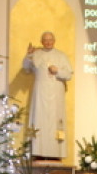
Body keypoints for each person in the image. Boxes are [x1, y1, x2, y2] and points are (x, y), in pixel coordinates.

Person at [22, 31, 72, 160]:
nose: (48, 42)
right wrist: (28, 55)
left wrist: (58, 71)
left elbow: (69, 74)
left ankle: (56, 153)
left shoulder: (61, 56)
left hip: (56, 94)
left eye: (50, 40)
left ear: (54, 41)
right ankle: (38, 152)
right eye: (45, 40)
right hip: (40, 93)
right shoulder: (36, 54)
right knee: (39, 120)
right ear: (42, 41)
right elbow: (26, 68)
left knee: (56, 122)